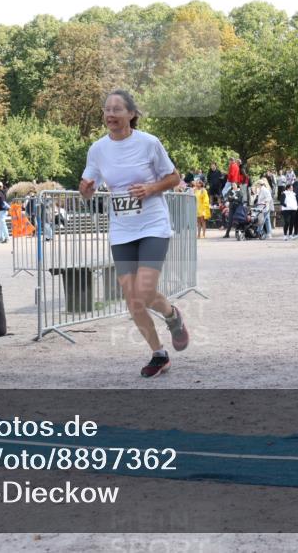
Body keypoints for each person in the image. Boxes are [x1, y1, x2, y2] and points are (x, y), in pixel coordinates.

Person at [80, 89, 188, 378]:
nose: (110, 115)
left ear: (131, 114)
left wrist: (150, 189)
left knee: (145, 289)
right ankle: (159, 354)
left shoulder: (149, 143)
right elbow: (86, 185)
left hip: (152, 224)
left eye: (116, 109)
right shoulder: (98, 149)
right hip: (121, 229)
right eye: (106, 110)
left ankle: (172, 316)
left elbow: (174, 177)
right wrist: (86, 189)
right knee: (132, 298)